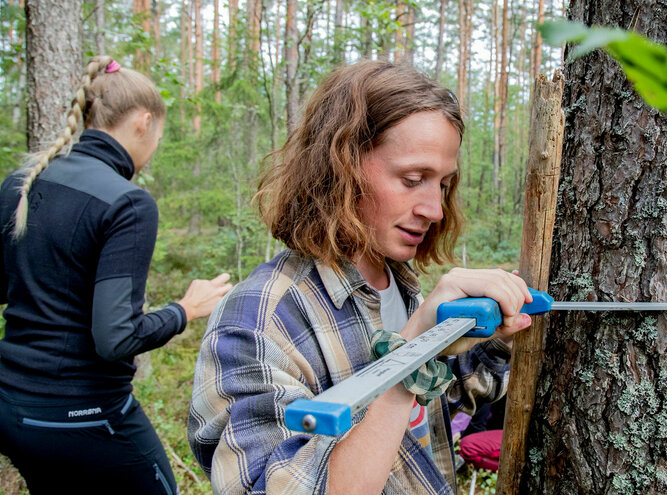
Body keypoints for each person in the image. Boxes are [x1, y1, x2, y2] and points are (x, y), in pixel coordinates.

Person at [188, 60, 533, 494]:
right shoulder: (259, 320)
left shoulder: (397, 284)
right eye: (412, 179)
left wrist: (494, 336)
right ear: (341, 167)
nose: (435, 209)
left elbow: (427, 411)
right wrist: (411, 354)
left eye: (442, 184)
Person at [0, 56, 232, 494]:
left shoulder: (22, 182)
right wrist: (186, 309)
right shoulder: (127, 203)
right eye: (159, 136)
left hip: (13, 410)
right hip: (82, 415)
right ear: (144, 123)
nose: (154, 148)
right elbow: (116, 339)